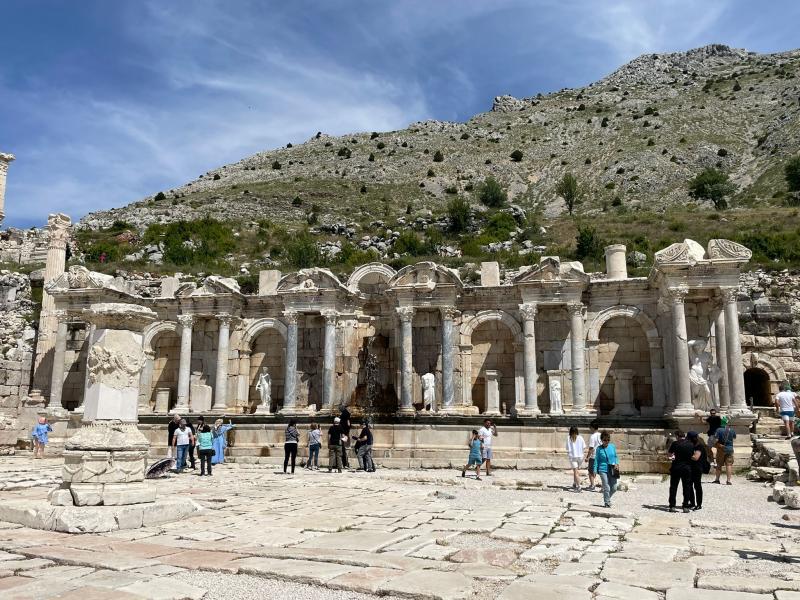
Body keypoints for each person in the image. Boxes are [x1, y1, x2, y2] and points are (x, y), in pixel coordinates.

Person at [667, 430, 695, 513]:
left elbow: (669, 454)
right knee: (686, 487)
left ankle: (672, 506)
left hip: (676, 467)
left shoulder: (675, 444)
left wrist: (672, 456)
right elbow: (692, 455)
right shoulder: (690, 444)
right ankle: (685, 506)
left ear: (677, 436)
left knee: (673, 487)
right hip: (687, 468)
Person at [595, 431, 619, 508]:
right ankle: (607, 502)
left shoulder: (612, 446)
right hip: (603, 469)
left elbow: (615, 456)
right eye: (605, 440)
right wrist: (595, 470)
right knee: (606, 486)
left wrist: (617, 463)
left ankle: (607, 498)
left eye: (608, 440)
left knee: (614, 488)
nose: (607, 442)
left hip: (612, 468)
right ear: (601, 440)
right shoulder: (599, 449)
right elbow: (596, 460)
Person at [686, 431, 709, 510]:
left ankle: (699, 504)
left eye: (689, 439)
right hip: (691, 468)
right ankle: (692, 502)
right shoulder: (692, 446)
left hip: (697, 469)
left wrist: (685, 455)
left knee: (697, 486)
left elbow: (696, 457)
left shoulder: (699, 447)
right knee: (689, 486)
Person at [713, 417, 736, 485]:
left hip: (721, 449)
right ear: (727, 423)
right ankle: (728, 481)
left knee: (719, 464)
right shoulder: (731, 430)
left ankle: (717, 479)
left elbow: (716, 440)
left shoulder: (718, 430)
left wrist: (716, 444)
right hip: (730, 449)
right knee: (729, 465)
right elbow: (734, 437)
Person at [566, 426, 586, 492]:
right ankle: (575, 483)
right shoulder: (580, 437)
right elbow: (584, 447)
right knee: (576, 471)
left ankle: (579, 487)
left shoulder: (569, 438)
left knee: (575, 472)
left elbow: (568, 449)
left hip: (573, 457)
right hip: (580, 457)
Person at [587, 421, 601, 491]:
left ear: (592, 428)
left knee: (591, 471)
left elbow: (591, 448)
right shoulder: (601, 435)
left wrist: (587, 457)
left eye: (590, 427)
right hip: (601, 456)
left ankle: (592, 485)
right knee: (601, 471)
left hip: (594, 456)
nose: (589, 428)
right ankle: (604, 486)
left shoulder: (592, 436)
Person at [339, 405, 351, 469]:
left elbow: (348, 423)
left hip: (344, 432)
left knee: (343, 449)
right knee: (343, 449)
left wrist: (346, 433)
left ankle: (345, 463)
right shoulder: (346, 413)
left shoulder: (345, 414)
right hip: (344, 432)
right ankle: (345, 464)